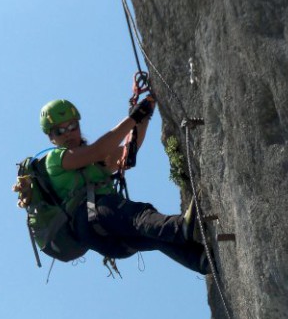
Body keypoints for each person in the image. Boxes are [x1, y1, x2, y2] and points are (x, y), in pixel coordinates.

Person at [35, 98, 209, 274]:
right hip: (94, 218)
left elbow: (128, 151)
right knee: (140, 215)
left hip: (111, 242)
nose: (68, 133)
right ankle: (182, 227)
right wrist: (134, 117)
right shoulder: (55, 160)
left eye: (72, 126)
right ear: (51, 137)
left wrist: (143, 118)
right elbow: (98, 150)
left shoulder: (95, 164)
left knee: (155, 236)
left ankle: (200, 260)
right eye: (60, 131)